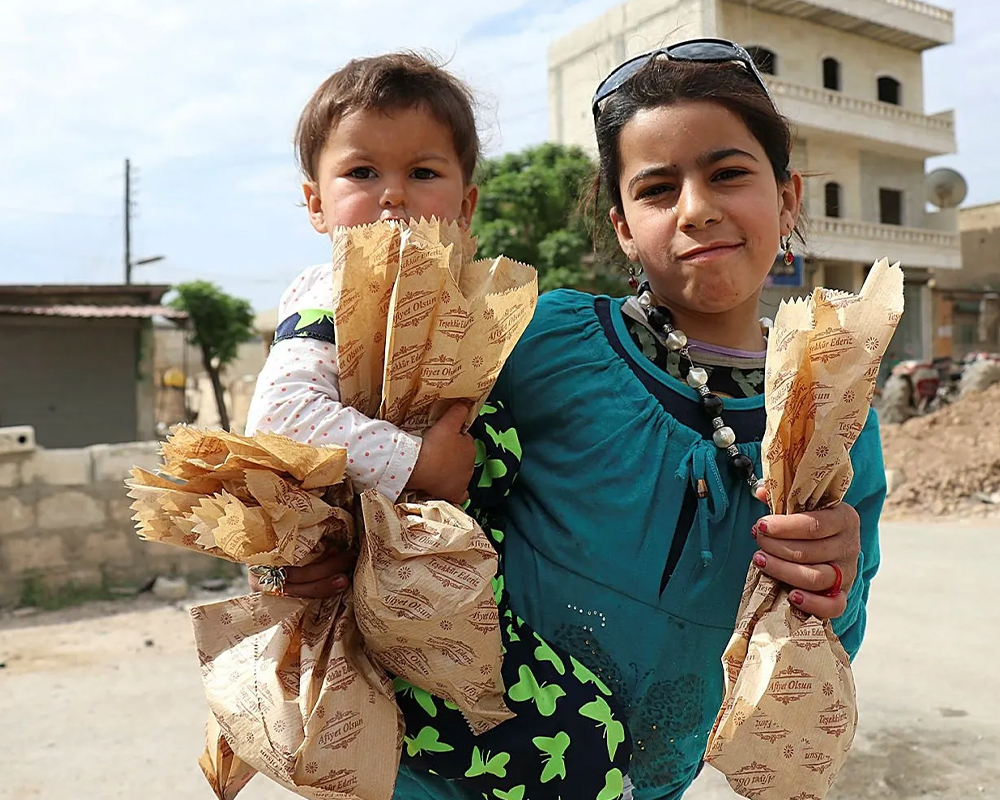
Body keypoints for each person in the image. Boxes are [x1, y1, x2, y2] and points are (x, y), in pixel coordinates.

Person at [251, 41, 886, 800]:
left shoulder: (834, 418)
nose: (698, 208)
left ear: (788, 196)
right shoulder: (540, 340)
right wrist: (294, 565)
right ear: (621, 225)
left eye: (729, 173)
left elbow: (831, 642)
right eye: (656, 188)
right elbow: (356, 449)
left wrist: (828, 579)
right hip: (435, 767)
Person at [244, 51, 633, 800]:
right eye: (361, 174)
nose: (393, 197)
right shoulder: (332, 293)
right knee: (584, 744)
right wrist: (419, 461)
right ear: (316, 204)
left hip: (450, 605)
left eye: (423, 173)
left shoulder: (450, 310)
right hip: (394, 616)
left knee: (591, 741)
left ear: (466, 204)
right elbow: (281, 416)